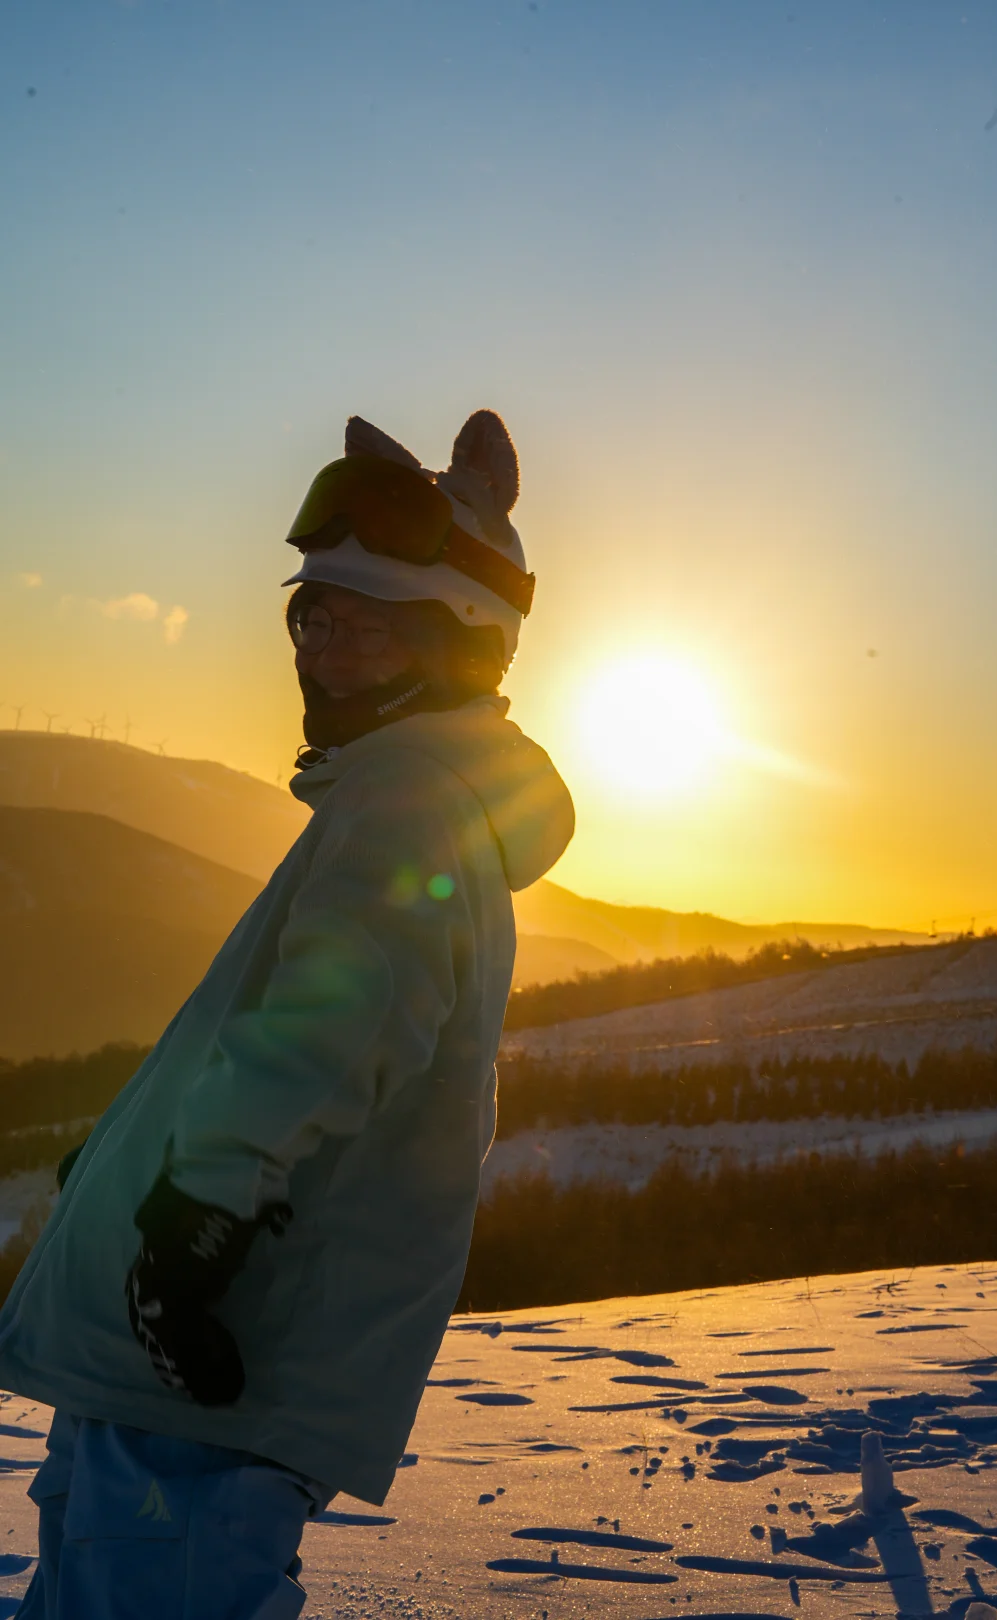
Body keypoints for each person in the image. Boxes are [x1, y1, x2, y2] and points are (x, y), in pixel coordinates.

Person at [0, 409, 575, 1619]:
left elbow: (334, 1027)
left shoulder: (408, 807)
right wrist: (126, 1160)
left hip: (206, 1365)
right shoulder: (403, 798)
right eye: (311, 617)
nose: (322, 652)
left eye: (364, 626)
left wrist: (195, 1209)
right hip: (179, 1375)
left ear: (461, 647)